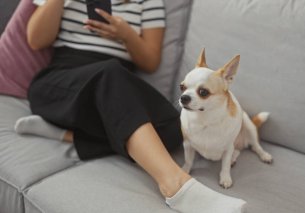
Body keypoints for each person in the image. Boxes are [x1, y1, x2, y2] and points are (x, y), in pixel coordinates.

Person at [14, 0, 246, 212]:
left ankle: (67, 135)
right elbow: (36, 39)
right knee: (110, 72)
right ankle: (175, 185)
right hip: (61, 80)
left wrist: (126, 35)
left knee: (174, 128)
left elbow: (150, 62)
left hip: (116, 90)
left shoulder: (149, 2)